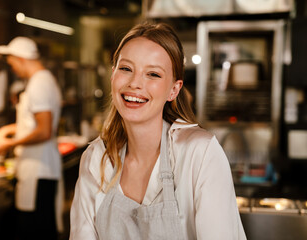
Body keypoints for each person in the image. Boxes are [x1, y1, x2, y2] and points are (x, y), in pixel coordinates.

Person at [69, 22, 246, 239]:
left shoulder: (199, 154)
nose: (135, 83)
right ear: (113, 75)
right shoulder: (96, 159)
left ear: (174, 89)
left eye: (152, 74)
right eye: (126, 69)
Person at [0, 37, 63, 240]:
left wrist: (8, 143)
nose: (13, 69)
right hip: (38, 170)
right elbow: (34, 124)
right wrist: (7, 131)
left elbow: (44, 130)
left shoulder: (39, 83)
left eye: (12, 63)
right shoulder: (41, 80)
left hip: (39, 171)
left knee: (37, 232)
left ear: (21, 59)